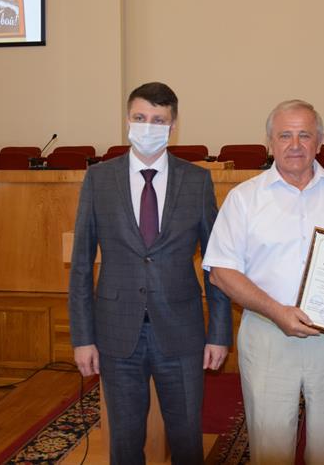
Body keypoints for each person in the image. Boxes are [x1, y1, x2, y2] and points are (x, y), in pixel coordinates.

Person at [203, 99, 324, 465]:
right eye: (285, 135)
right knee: (270, 448)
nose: (295, 145)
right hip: (267, 334)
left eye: (305, 135)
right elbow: (222, 272)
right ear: (269, 142)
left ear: (320, 141)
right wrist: (277, 311)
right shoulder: (244, 199)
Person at [68, 82, 232, 465]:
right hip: (116, 333)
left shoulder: (196, 181)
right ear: (127, 120)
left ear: (172, 126)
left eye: (158, 120)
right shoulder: (99, 179)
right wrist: (83, 338)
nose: (148, 126)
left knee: (187, 440)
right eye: (140, 117)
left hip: (182, 332)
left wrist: (219, 333)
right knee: (125, 444)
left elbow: (216, 263)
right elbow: (80, 265)